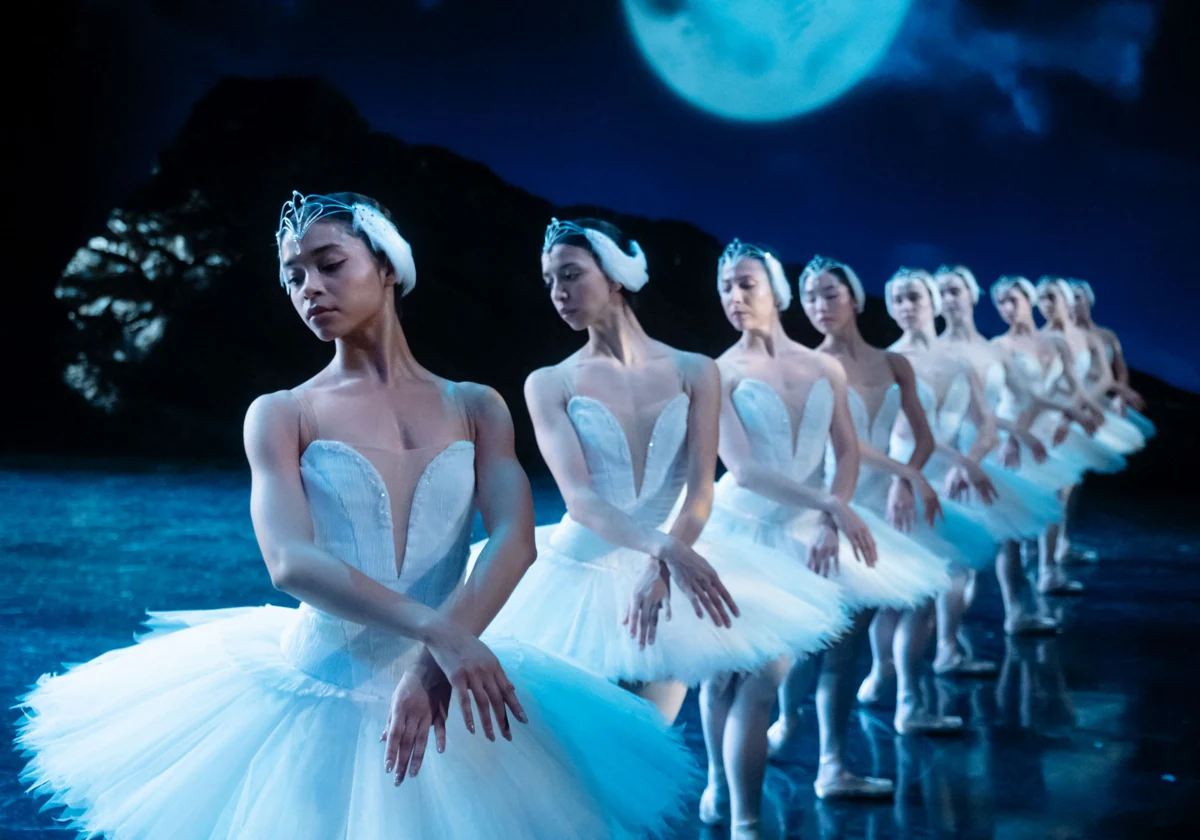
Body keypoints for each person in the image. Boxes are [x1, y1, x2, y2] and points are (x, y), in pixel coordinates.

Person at [16, 192, 698, 840]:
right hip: (319, 693)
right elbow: (290, 562)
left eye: (330, 263)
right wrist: (443, 635)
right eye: (293, 275)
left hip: (444, 681)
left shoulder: (476, 405)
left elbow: (514, 541)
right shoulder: (283, 412)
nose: (308, 287)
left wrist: (434, 664)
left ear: (388, 267)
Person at [481, 219, 844, 730]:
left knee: (654, 739)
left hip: (669, 562)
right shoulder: (549, 382)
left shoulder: (695, 370)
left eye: (570, 275)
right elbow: (581, 499)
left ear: (615, 276)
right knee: (588, 745)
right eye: (550, 282)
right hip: (579, 576)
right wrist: (665, 550)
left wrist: (666, 563)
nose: (558, 293)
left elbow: (700, 491)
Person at [886, 267, 1060, 673]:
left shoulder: (982, 353)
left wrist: (1004, 441)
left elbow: (1005, 406)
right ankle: (916, 662)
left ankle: (958, 638)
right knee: (932, 573)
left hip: (967, 457)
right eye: (941, 292)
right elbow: (907, 428)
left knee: (969, 558)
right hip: (927, 461)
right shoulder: (907, 356)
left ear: (971, 294)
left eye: (954, 291)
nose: (948, 299)